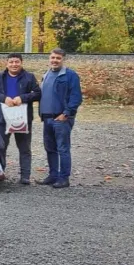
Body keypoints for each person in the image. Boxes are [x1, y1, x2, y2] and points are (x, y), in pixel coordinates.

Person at [0, 53, 41, 185]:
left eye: (17, 62)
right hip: (2, 119)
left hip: (22, 119)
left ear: (21, 63)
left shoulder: (29, 77)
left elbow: (38, 93)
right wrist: (3, 98)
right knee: (0, 147)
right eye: (11, 62)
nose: (14, 64)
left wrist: (22, 98)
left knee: (24, 147)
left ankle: (25, 176)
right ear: (7, 63)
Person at [36, 48, 83, 189]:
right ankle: (53, 175)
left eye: (58, 58)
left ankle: (64, 178)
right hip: (47, 118)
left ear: (63, 60)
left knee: (63, 148)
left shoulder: (70, 75)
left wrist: (66, 113)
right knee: (50, 148)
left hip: (61, 118)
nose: (55, 60)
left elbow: (76, 97)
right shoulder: (46, 74)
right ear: (49, 59)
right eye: (53, 57)